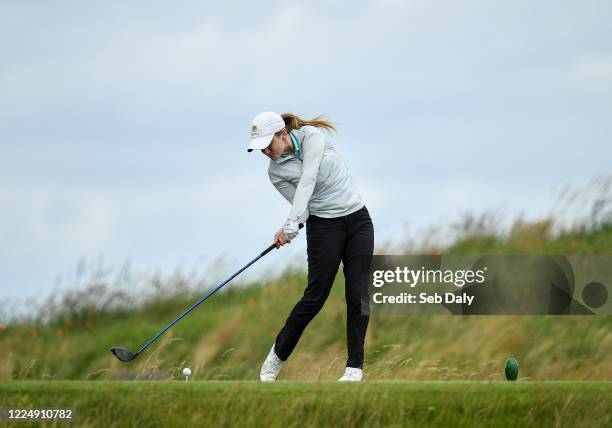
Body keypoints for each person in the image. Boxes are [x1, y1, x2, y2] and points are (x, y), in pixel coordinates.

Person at [247, 111, 374, 382]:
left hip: (358, 221)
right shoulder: (276, 173)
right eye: (261, 149)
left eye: (269, 145)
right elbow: (301, 207)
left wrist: (291, 221)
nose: (267, 152)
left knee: (358, 295)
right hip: (324, 226)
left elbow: (309, 178)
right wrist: (288, 228)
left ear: (283, 134)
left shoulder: (312, 138)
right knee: (315, 297)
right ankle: (275, 359)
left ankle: (354, 369)